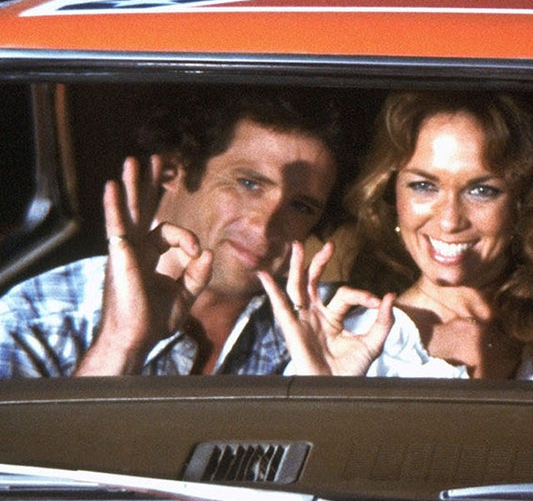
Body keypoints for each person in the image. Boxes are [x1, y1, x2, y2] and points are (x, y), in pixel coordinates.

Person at [261, 91, 533, 381]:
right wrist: (320, 399)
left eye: (481, 190)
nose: (450, 219)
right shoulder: (346, 342)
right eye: (424, 186)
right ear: (392, 195)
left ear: (525, 202)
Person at [0, 90, 372, 377]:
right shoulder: (41, 314)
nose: (265, 225)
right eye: (248, 183)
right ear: (172, 172)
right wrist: (120, 342)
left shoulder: (335, 327)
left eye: (301, 207)